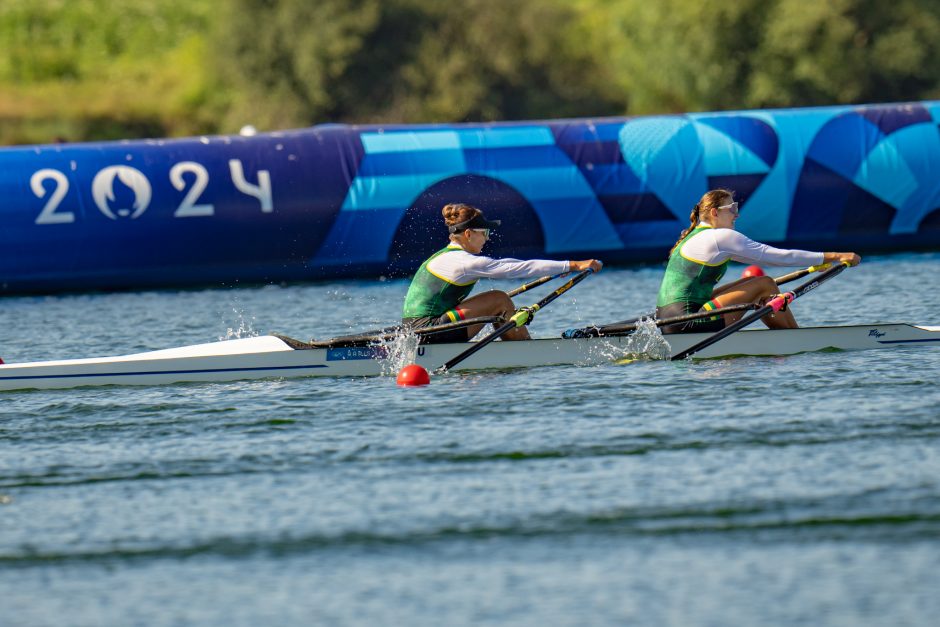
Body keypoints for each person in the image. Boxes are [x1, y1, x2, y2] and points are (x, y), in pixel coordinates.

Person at [656, 189, 860, 334]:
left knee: (750, 284)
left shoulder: (692, 237)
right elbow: (779, 256)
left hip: (668, 320)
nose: (737, 214)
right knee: (765, 283)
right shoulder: (720, 237)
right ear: (715, 213)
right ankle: (795, 338)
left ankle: (791, 336)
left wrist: (816, 262)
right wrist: (834, 256)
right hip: (689, 322)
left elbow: (767, 258)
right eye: (732, 209)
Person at [402, 203, 603, 343]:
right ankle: (527, 351)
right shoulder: (463, 262)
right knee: (499, 300)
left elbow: (513, 264)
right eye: (485, 233)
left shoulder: (443, 256)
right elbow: (518, 269)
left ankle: (518, 345)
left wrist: (560, 268)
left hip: (416, 331)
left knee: (498, 300)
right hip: (430, 331)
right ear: (468, 234)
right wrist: (574, 265)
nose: (487, 239)